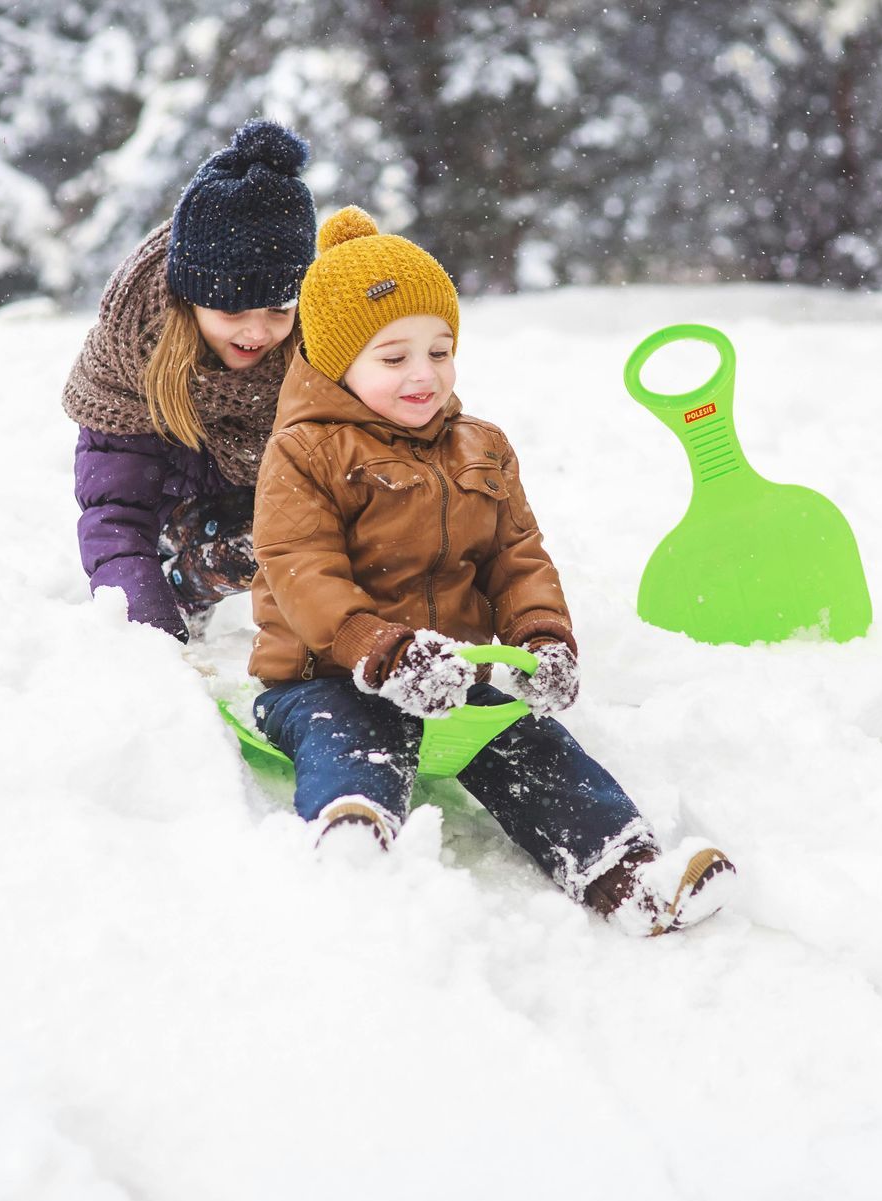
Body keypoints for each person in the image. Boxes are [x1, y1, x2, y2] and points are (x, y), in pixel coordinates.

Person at [247, 207, 739, 936]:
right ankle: (352, 836)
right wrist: (378, 651)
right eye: (393, 358)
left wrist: (542, 638)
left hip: (458, 672)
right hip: (325, 671)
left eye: (440, 350)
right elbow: (301, 570)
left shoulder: (482, 446)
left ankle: (629, 877)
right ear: (334, 363)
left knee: (534, 748)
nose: (424, 374)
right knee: (352, 732)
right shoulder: (305, 452)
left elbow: (518, 558)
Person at [63, 119, 317, 640]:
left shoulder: (315, 351)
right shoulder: (133, 359)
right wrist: (156, 633)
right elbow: (116, 517)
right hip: (170, 521)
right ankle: (183, 588)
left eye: (277, 308)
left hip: (273, 498)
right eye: (231, 309)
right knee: (263, 538)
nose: (257, 330)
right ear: (189, 298)